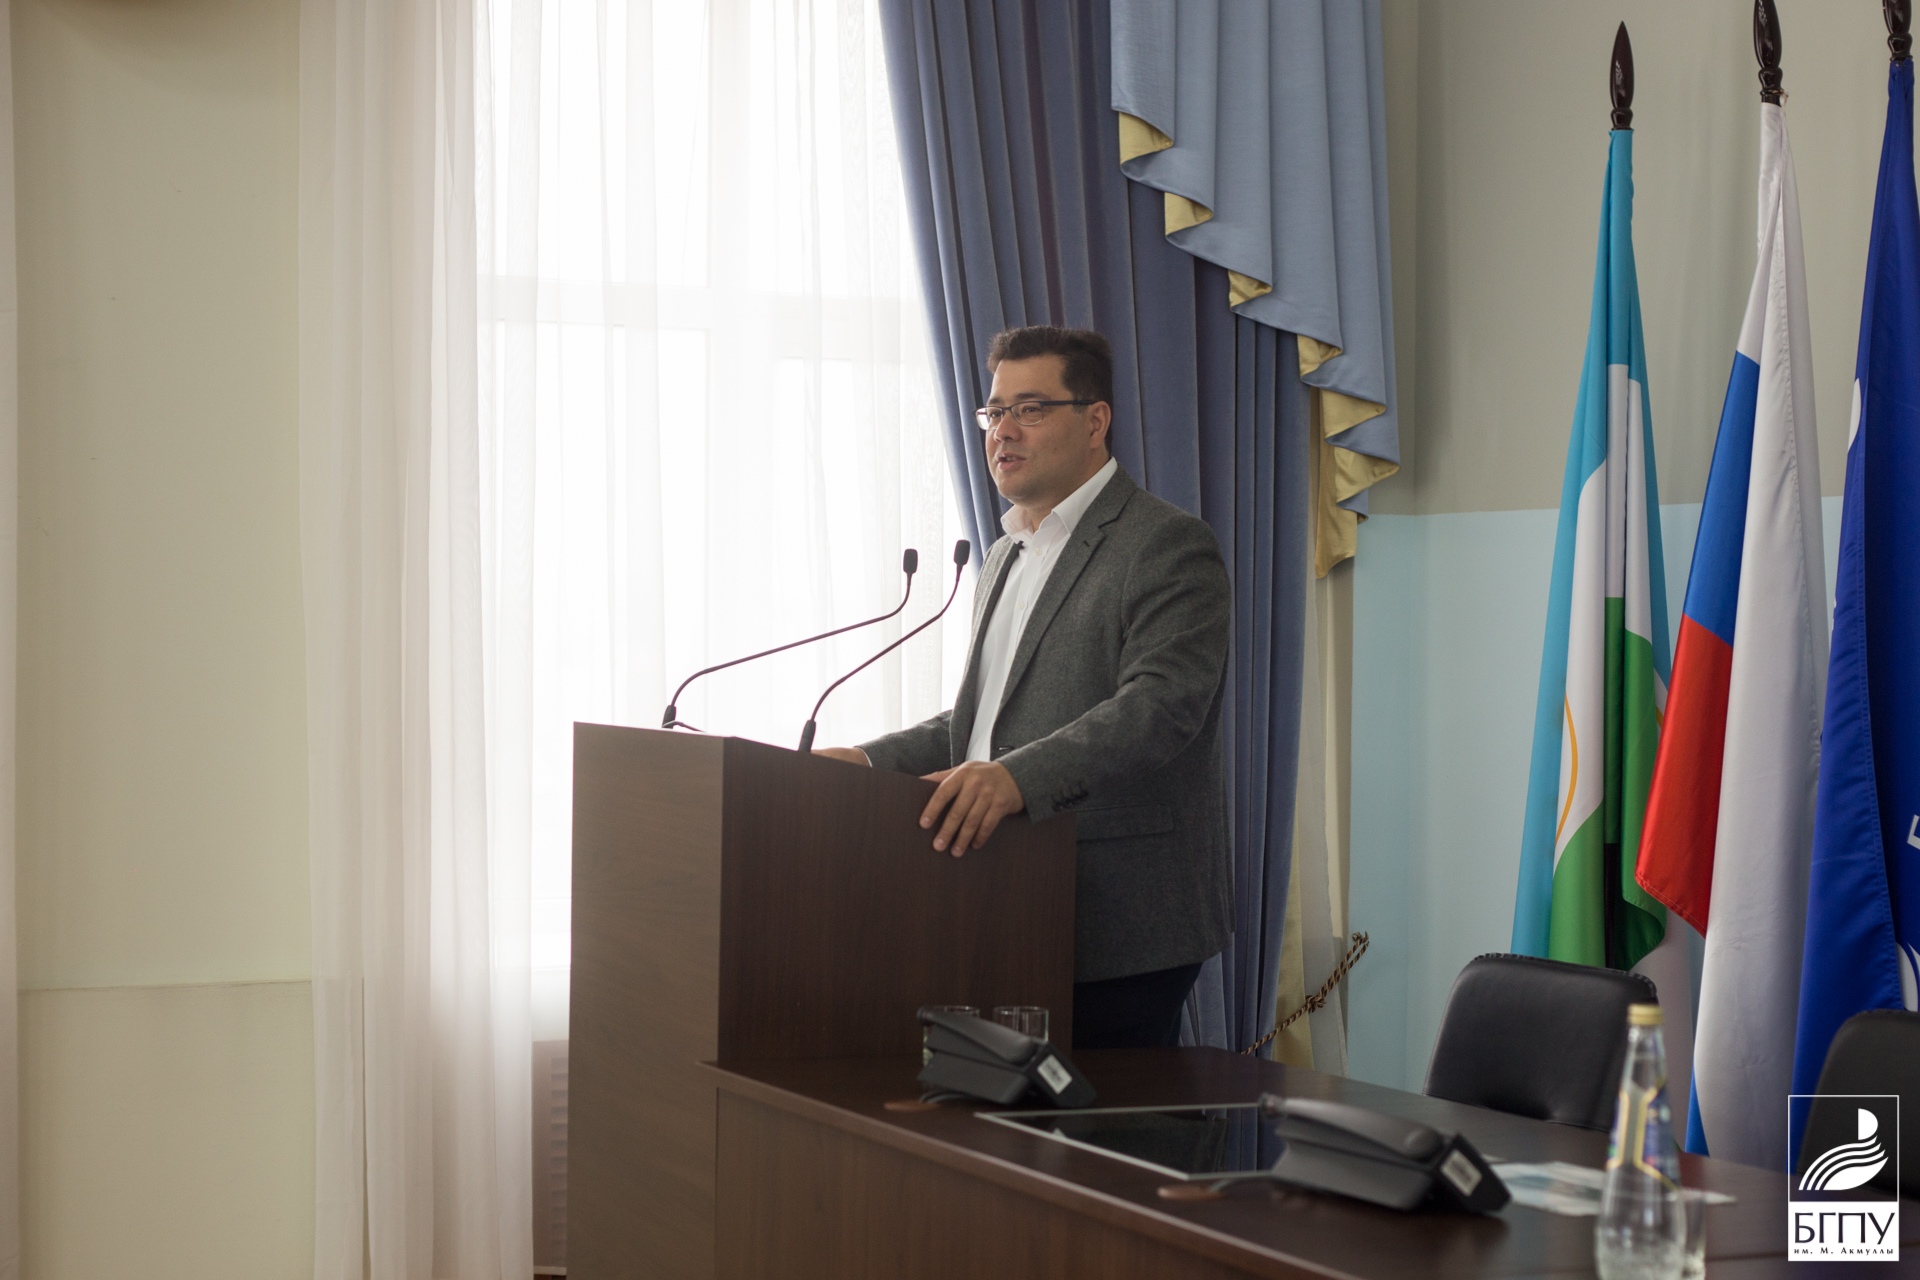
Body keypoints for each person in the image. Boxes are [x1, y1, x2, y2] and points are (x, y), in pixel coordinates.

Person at [815, 325, 1232, 1049]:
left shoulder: (1164, 543)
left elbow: (1161, 707)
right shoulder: (1006, 553)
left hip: (1118, 916)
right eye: (994, 411)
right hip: (1000, 900)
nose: (1002, 431)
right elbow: (984, 722)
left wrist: (1015, 779)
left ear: (1095, 421)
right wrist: (869, 762)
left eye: (1030, 409)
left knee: (1100, 1121)